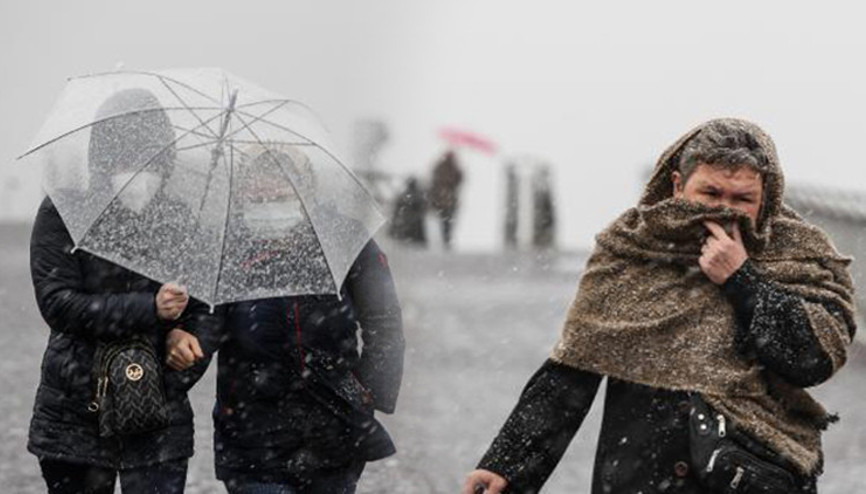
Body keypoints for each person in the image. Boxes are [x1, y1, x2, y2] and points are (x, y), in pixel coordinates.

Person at [463, 119, 856, 494]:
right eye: (711, 193)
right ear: (676, 185)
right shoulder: (630, 249)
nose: (725, 210)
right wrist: (507, 464)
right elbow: (572, 369)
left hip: (754, 474)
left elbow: (812, 360)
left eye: (743, 199)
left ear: (766, 197)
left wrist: (742, 279)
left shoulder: (799, 254)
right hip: (642, 471)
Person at [167, 146, 405, 494]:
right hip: (250, 431)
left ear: (304, 192)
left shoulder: (344, 240)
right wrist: (184, 345)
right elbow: (208, 319)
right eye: (258, 197)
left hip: (333, 429)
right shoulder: (227, 246)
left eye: (280, 196)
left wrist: (367, 392)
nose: (269, 205)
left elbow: (384, 320)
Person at [29, 88, 216, 493]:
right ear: (102, 154)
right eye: (123, 153)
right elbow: (58, 303)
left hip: (159, 416)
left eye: (147, 153)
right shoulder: (65, 211)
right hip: (75, 411)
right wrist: (148, 308)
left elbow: (207, 306)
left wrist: (187, 346)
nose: (136, 168)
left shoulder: (182, 218)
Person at [429, 150, 463, 249]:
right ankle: (446, 239)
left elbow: (459, 181)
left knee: (446, 222)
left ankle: (446, 239)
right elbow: (456, 181)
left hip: (444, 201)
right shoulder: (448, 169)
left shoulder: (449, 168)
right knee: (447, 222)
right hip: (446, 201)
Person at [388, 176, 428, 246]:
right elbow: (422, 206)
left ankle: (409, 238)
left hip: (410, 218)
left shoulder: (406, 194)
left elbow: (398, 206)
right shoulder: (417, 194)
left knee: (410, 231)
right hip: (413, 219)